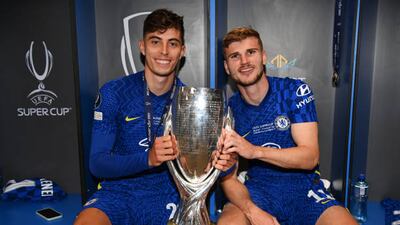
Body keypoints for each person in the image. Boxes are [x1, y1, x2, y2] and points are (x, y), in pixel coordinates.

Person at [74, 9, 233, 225]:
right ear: (142, 46)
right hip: (119, 194)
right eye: (156, 42)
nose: (164, 51)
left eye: (173, 43)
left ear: (182, 51)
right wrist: (148, 158)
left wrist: (227, 163)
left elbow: (209, 169)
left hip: (171, 194)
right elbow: (98, 164)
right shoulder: (114, 92)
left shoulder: (193, 103)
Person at [217, 27, 357, 225]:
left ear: (263, 57)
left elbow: (310, 157)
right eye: (235, 56)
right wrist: (252, 211)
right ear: (227, 67)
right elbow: (228, 177)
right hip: (258, 192)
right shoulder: (230, 110)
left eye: (251, 52)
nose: (244, 62)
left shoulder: (293, 91)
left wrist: (255, 151)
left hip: (304, 190)